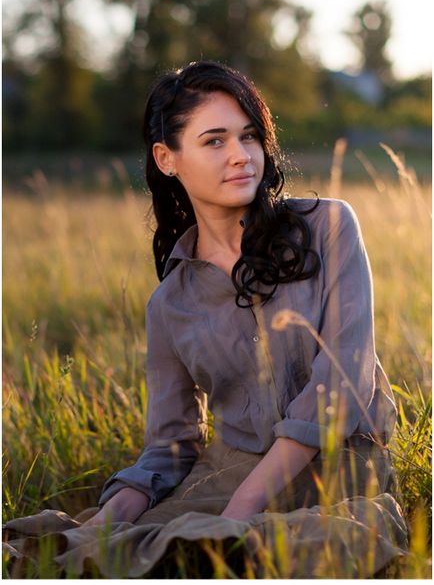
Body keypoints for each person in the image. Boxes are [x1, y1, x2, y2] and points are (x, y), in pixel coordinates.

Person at [4, 61, 407, 578]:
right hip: (225, 475)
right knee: (117, 547)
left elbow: (342, 385)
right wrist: (101, 525)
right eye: (214, 141)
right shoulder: (171, 302)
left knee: (316, 540)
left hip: (339, 472)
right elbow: (169, 449)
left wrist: (239, 514)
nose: (241, 156)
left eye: (249, 136)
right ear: (167, 159)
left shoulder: (329, 226)